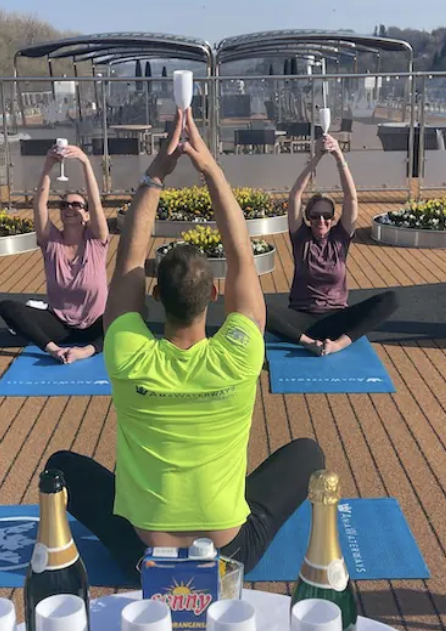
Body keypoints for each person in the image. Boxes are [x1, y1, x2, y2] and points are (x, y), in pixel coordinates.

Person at [44, 109, 325, 580]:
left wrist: (157, 172)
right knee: (309, 454)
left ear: (155, 297)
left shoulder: (127, 350)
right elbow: (240, 255)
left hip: (144, 559)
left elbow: (131, 258)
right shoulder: (239, 352)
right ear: (213, 295)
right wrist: (211, 170)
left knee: (61, 466)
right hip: (227, 556)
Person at [267, 133, 398, 356]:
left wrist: (338, 155)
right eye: (315, 215)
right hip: (303, 320)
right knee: (256, 308)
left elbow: (351, 198)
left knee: (390, 300)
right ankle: (308, 343)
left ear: (333, 218)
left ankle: (338, 345)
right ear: (308, 217)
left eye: (327, 215)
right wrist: (316, 157)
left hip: (338, 318)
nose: (321, 220)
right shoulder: (301, 238)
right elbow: (295, 197)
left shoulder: (340, 238)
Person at [0, 144, 109, 364]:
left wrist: (85, 163)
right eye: (65, 205)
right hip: (59, 327)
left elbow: (96, 202)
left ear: (86, 214)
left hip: (97, 324)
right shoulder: (51, 242)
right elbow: (40, 204)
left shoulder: (96, 239)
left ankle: (86, 351)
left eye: (77, 205)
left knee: (130, 316)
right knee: (8, 308)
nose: (70, 208)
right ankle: (54, 350)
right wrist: (48, 166)